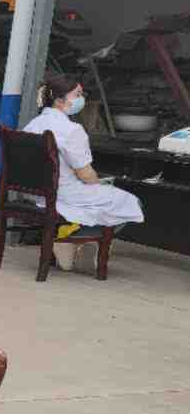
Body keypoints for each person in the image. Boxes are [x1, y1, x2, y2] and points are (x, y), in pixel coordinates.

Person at [23, 73, 144, 271]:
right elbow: (86, 174)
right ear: (59, 100)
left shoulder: (32, 124)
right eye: (77, 95)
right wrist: (100, 186)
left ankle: (74, 244)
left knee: (101, 202)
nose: (82, 99)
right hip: (62, 194)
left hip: (35, 193)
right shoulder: (71, 129)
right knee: (130, 202)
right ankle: (72, 241)